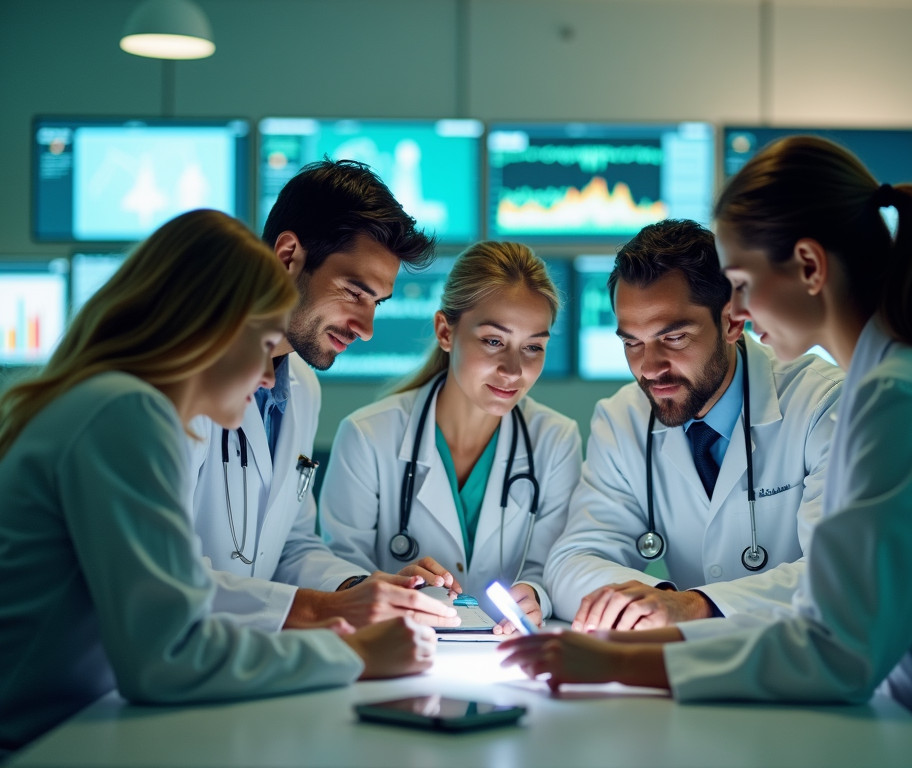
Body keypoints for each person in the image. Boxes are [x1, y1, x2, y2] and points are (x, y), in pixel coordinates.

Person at [499, 137, 912, 768]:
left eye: (743, 283)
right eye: (631, 341)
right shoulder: (895, 382)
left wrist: (618, 658)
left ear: (809, 267)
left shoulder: (898, 398)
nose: (740, 309)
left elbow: (835, 650)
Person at [0, 210, 436, 757]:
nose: (266, 375)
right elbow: (168, 657)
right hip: (41, 742)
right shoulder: (125, 413)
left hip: (82, 724)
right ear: (206, 326)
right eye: (263, 342)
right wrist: (355, 655)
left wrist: (346, 604)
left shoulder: (111, 402)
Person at [186, 160, 463, 633]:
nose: (367, 329)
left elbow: (291, 544)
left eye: (376, 302)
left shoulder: (302, 388)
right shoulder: (180, 376)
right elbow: (161, 578)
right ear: (288, 254)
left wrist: (358, 590)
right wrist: (325, 612)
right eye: (354, 291)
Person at [544, 219, 843, 629]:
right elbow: (571, 563)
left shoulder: (823, 405)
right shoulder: (622, 419)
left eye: (674, 338)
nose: (649, 369)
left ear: (733, 322)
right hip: (684, 668)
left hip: (802, 673)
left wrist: (698, 605)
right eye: (632, 342)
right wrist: (659, 600)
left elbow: (838, 577)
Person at [319, 242, 582, 632]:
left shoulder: (557, 441)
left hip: (506, 659)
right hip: (399, 652)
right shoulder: (368, 436)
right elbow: (340, 571)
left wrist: (535, 594)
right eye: (494, 341)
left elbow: (552, 566)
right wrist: (389, 587)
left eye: (533, 347)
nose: (513, 370)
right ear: (446, 331)